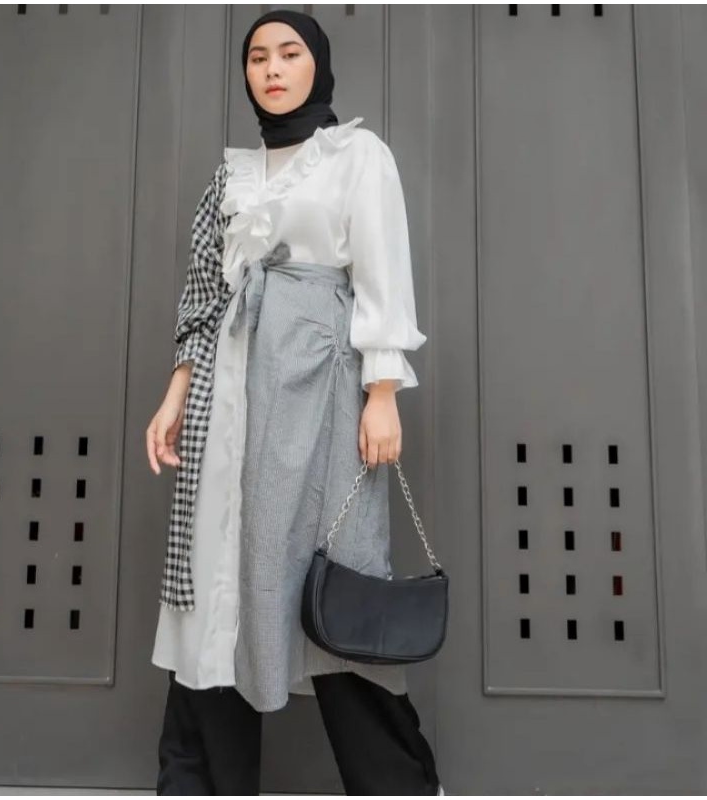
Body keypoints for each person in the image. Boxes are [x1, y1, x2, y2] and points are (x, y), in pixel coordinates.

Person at [145, 9, 443, 796]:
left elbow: (382, 271)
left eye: (288, 53)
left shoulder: (355, 156)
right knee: (216, 578)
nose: (272, 69)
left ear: (317, 65)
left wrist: (383, 391)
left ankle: (397, 785)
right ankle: (200, 781)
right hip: (226, 400)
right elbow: (206, 292)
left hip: (321, 395)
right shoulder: (232, 175)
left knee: (336, 580)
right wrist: (177, 393)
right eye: (257, 58)